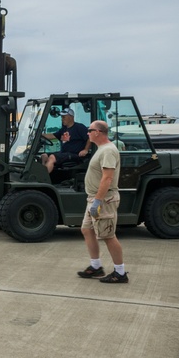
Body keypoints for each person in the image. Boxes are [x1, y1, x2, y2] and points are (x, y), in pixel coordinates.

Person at [76, 120, 127, 283]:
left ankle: (120, 273)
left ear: (98, 132)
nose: (88, 133)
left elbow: (107, 178)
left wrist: (98, 201)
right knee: (87, 230)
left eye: (89, 130)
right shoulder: (101, 149)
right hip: (93, 198)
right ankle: (96, 267)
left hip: (104, 200)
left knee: (108, 235)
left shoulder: (108, 151)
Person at [42, 107, 91, 173]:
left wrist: (86, 150)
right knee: (44, 156)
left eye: (64, 117)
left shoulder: (79, 127)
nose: (62, 119)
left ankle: (43, 178)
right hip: (64, 153)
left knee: (52, 157)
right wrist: (39, 135)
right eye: (61, 117)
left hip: (74, 155)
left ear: (71, 117)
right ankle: (44, 174)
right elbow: (53, 136)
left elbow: (90, 138)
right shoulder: (64, 129)